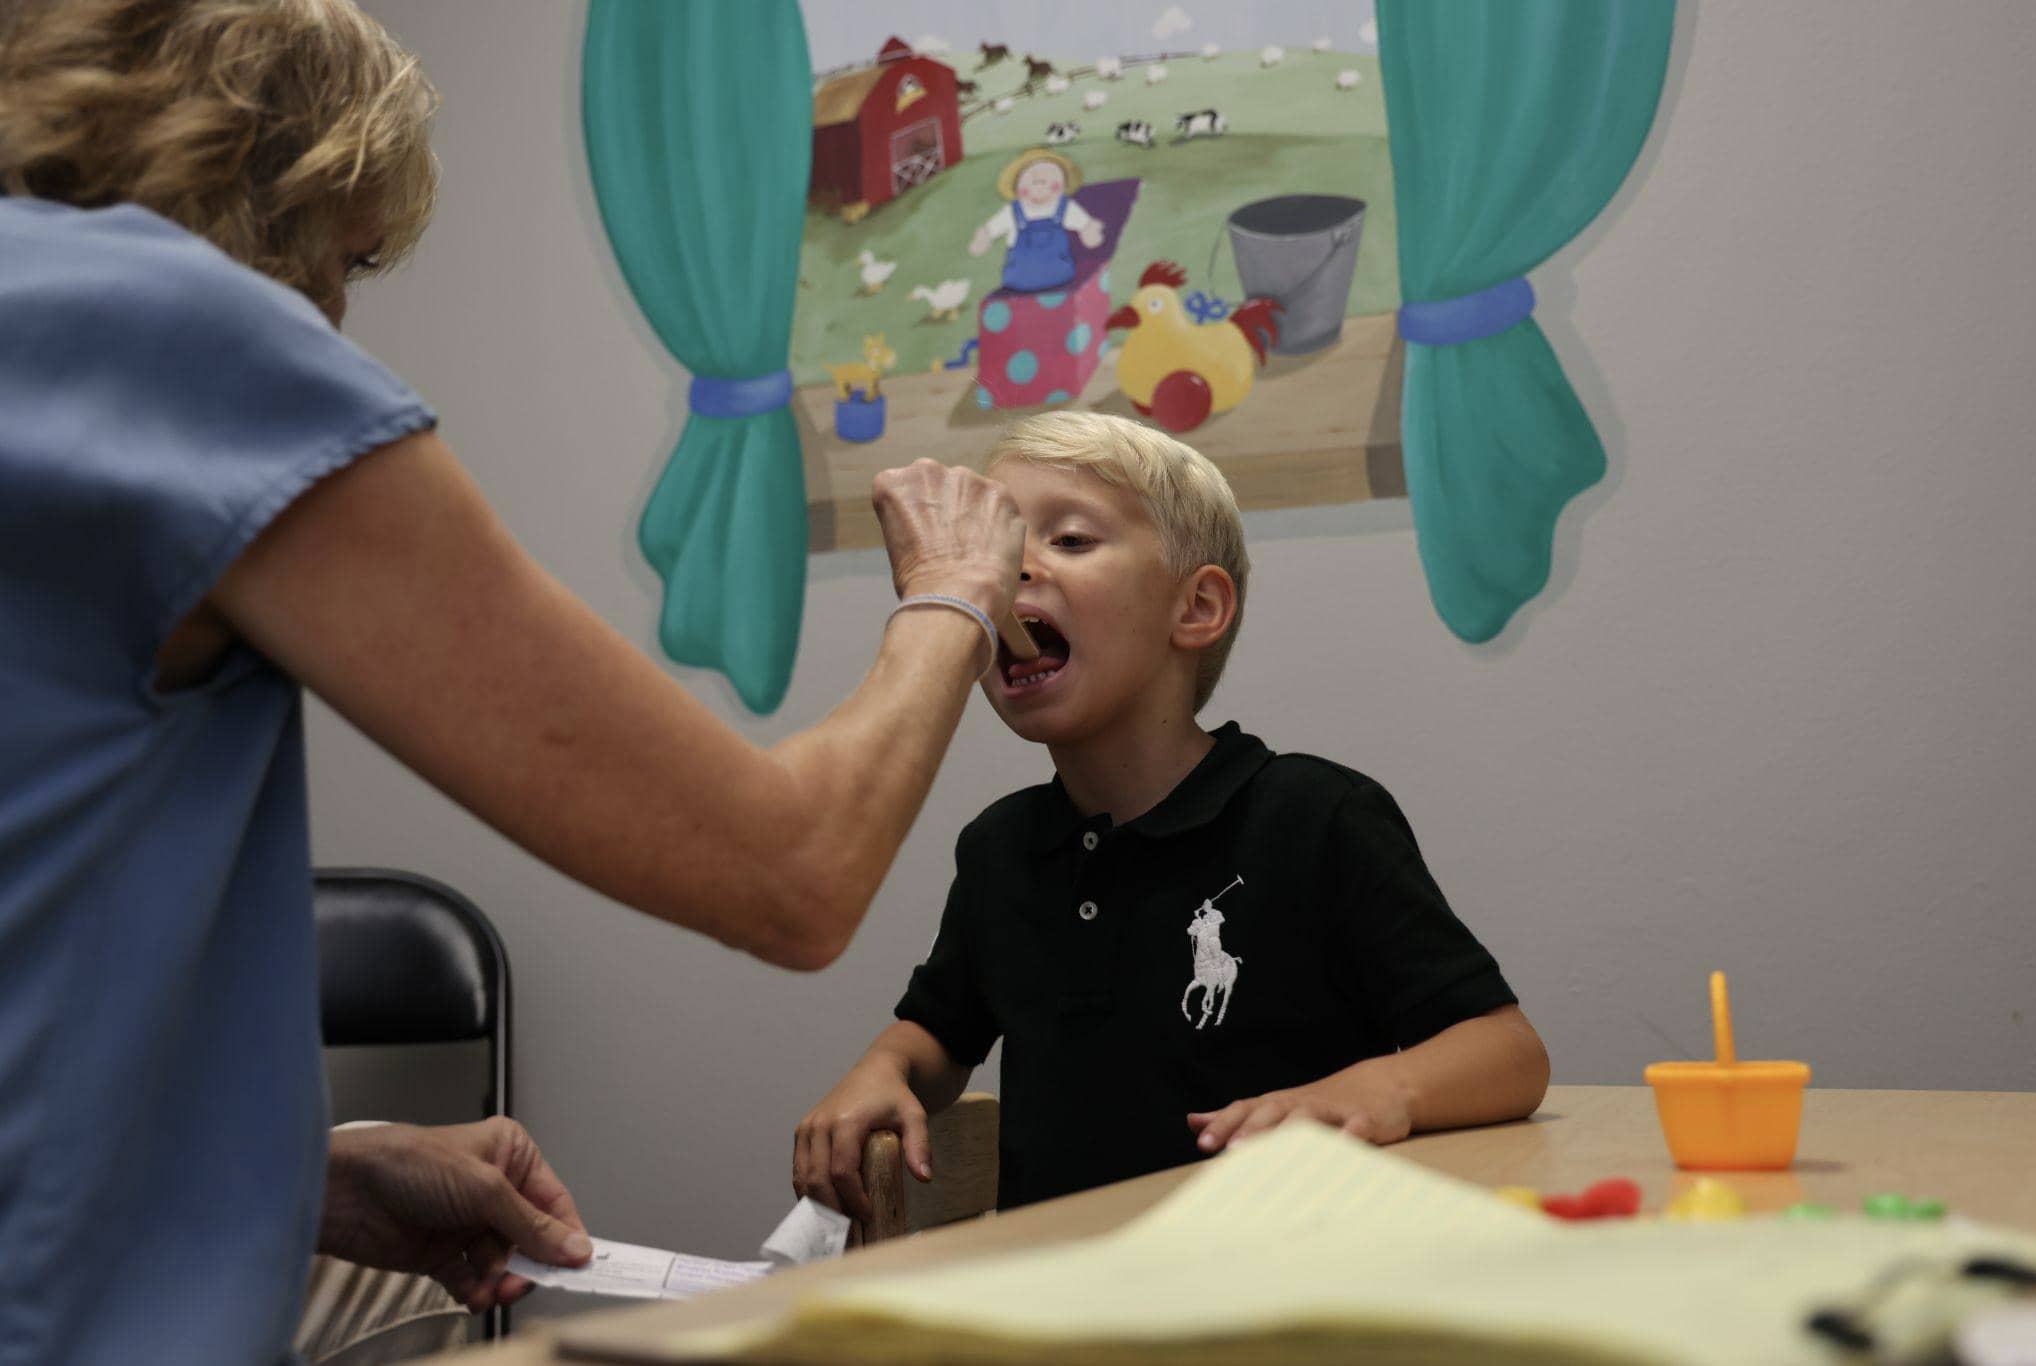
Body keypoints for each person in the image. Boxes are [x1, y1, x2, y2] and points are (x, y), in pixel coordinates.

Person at [0, 1, 1024, 1361]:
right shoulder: (169, 334)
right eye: (346, 259)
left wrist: (310, 1176)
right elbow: (798, 866)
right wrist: (951, 589)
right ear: (270, 182)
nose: (334, 317)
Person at [794, 413, 1550, 1217]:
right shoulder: (1000, 850)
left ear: (1196, 609)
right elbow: (936, 1038)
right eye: (998, 549)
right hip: (1067, 1312)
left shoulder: (1315, 816)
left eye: (1071, 540)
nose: (1009, 572)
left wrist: (1378, 1088)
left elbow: (1508, 1052)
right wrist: (882, 1066)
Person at [969, 147, 1105, 294]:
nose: (1040, 187)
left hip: (1060, 274)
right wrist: (982, 238)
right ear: (1017, 187)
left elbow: (1085, 226)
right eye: (1032, 181)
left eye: (1048, 181)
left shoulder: (1065, 207)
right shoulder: (1012, 212)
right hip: (1019, 279)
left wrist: (1090, 231)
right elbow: (990, 230)